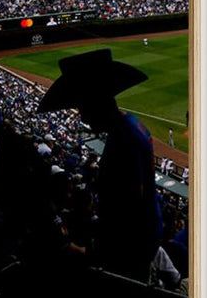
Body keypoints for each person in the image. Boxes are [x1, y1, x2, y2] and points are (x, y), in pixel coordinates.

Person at [38, 48, 158, 281]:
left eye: (82, 107)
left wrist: (95, 251)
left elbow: (129, 205)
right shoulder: (130, 126)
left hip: (129, 250)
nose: (82, 117)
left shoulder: (123, 139)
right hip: (140, 241)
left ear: (97, 102)